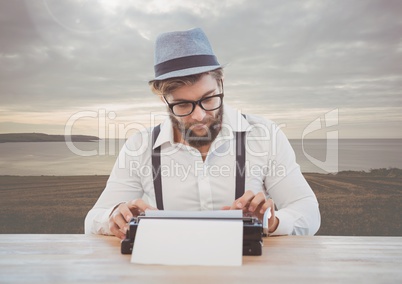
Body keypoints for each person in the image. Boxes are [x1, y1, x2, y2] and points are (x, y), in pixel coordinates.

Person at [85, 28, 320, 239]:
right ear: (163, 99)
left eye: (208, 99)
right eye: (183, 105)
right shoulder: (140, 146)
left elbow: (307, 211)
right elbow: (92, 220)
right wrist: (113, 217)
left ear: (221, 83)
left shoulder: (264, 135)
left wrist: (274, 221)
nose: (198, 116)